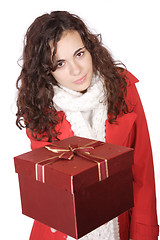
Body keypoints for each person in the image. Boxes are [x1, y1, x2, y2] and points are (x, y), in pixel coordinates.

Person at [16, 11, 159, 240]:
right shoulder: (41, 110)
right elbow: (52, 194)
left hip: (121, 227)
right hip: (61, 233)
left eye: (79, 54)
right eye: (60, 63)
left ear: (90, 48)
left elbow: (143, 172)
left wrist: (144, 234)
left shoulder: (123, 88)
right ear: (46, 71)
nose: (76, 70)